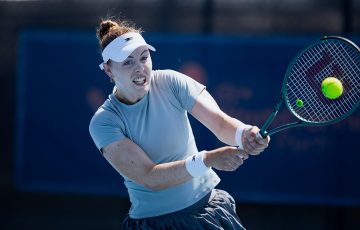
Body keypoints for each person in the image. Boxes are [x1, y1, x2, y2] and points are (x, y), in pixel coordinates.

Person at [89, 18, 270, 230]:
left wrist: (244, 134)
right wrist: (208, 159)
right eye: (127, 62)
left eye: (144, 58)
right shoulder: (104, 122)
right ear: (109, 71)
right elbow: (150, 177)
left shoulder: (171, 82)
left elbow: (221, 123)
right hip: (156, 224)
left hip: (209, 210)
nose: (139, 68)